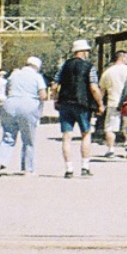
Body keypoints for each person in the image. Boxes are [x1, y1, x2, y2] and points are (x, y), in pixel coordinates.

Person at [52, 39, 99, 177]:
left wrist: (56, 100)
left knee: (67, 136)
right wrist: (100, 104)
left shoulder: (64, 66)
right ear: (84, 52)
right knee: (85, 134)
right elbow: (93, 87)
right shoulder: (89, 67)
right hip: (82, 104)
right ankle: (85, 167)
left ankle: (69, 169)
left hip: (65, 103)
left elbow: (54, 85)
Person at [0, 55, 47, 176]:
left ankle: (0, 161)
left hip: (10, 104)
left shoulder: (14, 75)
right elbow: (43, 94)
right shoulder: (37, 77)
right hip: (28, 106)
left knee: (8, 136)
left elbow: (7, 89)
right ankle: (27, 168)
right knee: (28, 139)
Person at [99, 50, 127, 157]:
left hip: (113, 102)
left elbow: (102, 90)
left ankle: (111, 149)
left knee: (110, 128)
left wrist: (99, 104)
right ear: (122, 58)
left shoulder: (108, 72)